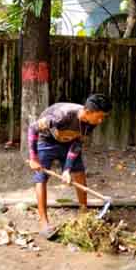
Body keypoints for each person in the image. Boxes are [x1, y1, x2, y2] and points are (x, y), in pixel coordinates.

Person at [27, 94, 112, 238]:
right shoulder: (62, 116)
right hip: (46, 140)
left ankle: (84, 212)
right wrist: (33, 158)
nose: (101, 120)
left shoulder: (91, 123)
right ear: (88, 112)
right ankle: (44, 223)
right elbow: (33, 128)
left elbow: (77, 144)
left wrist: (67, 169)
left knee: (78, 173)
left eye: (103, 117)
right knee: (41, 177)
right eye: (99, 116)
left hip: (69, 142)